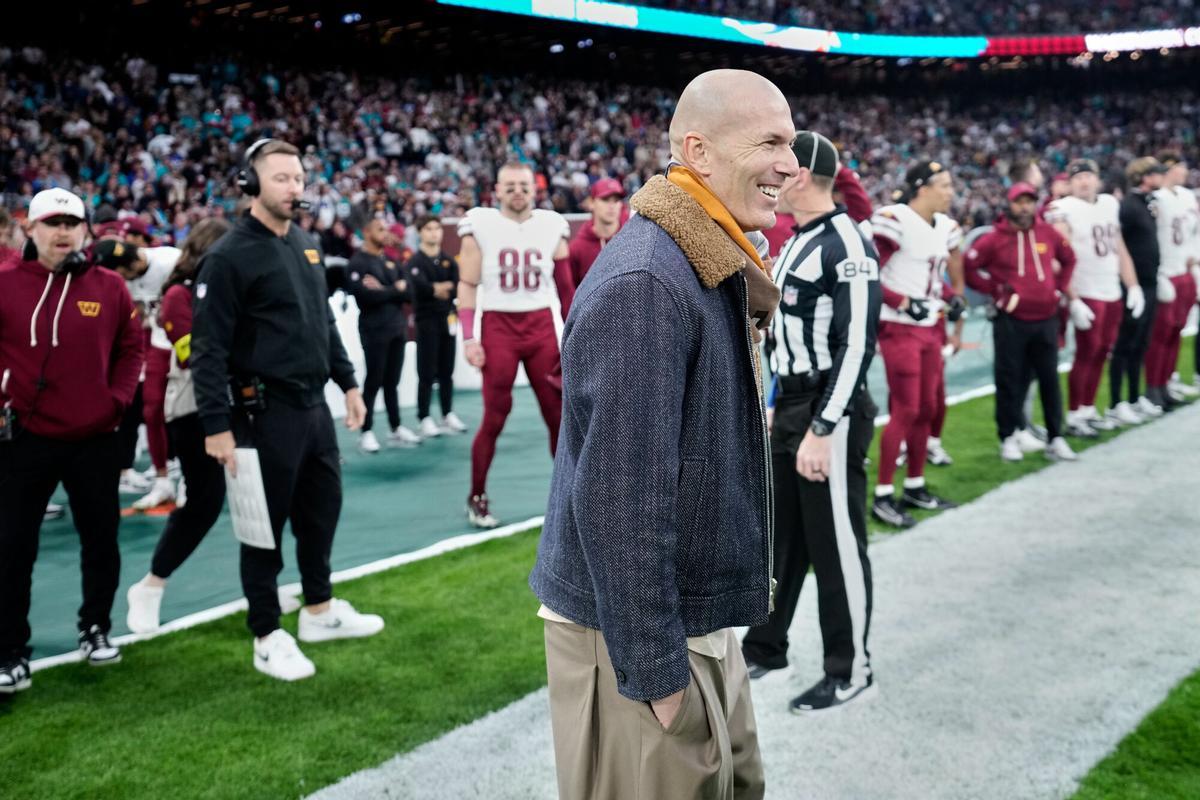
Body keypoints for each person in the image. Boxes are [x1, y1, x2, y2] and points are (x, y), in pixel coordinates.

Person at [530, 68, 791, 800]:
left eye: (791, 142)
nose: (790, 164)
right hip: (640, 641)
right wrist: (653, 669)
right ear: (698, 153)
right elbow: (619, 499)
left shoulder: (697, 256)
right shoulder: (649, 281)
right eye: (769, 141)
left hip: (690, 622)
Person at [191, 139, 382, 682]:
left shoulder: (305, 244)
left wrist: (348, 383)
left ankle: (318, 611)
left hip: (311, 408)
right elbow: (207, 348)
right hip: (259, 411)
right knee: (264, 528)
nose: (293, 187)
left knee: (322, 511)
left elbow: (322, 321)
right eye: (280, 178)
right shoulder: (228, 255)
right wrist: (215, 426)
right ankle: (266, 632)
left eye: (298, 178)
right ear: (250, 185)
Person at [739, 131, 883, 715]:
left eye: (782, 167)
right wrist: (777, 398)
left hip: (830, 406)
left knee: (836, 545)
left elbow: (856, 346)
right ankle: (767, 645)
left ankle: (851, 668)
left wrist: (824, 428)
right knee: (784, 538)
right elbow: (788, 335)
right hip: (794, 403)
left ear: (802, 176)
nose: (772, 177)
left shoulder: (847, 242)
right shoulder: (797, 240)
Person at [0, 188, 144, 693]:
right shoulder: (4, 283)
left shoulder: (109, 287)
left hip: (94, 438)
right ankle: (9, 651)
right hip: (23, 438)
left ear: (85, 230)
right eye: (52, 223)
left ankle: (95, 627)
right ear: (30, 230)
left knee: (101, 541)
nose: (62, 232)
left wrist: (116, 402)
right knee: (12, 547)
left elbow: (132, 350)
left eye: (72, 223)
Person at [125, 218, 232, 633]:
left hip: (235, 407)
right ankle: (151, 585)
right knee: (204, 504)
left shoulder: (223, 292)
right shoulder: (177, 296)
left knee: (261, 500)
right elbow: (194, 357)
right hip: (194, 411)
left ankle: (265, 587)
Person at [456, 161, 574, 528]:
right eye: (510, 186)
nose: (517, 192)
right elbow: (467, 285)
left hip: (540, 325)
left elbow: (566, 289)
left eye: (523, 185)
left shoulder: (551, 225)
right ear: (496, 189)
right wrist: (469, 336)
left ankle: (568, 495)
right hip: (499, 326)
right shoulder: (480, 224)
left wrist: (575, 331)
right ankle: (476, 495)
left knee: (558, 415)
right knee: (494, 415)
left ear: (534, 188)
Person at [869, 161, 966, 529]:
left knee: (926, 408)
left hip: (929, 327)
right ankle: (882, 495)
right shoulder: (895, 219)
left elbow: (927, 277)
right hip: (900, 329)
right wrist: (903, 302)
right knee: (906, 409)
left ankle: (914, 484)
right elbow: (870, 275)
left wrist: (948, 295)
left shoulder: (943, 226)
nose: (951, 191)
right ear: (922, 187)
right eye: (944, 184)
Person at [965, 183, 1079, 462]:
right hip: (1011, 320)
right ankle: (1008, 436)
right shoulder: (995, 238)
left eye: (1029, 201)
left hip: (1045, 318)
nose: (1025, 207)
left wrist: (1059, 289)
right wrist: (994, 289)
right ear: (1010, 204)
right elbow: (969, 265)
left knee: (1050, 379)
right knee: (1009, 379)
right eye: (1020, 202)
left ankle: (1056, 437)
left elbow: (1069, 258)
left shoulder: (1046, 232)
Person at [1046, 158, 1146, 434]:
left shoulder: (1109, 204)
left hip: (1110, 287)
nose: (1084, 181)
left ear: (1098, 179)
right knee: (1086, 352)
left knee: (1103, 351)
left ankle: (1088, 408)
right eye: (1078, 177)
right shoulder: (1062, 209)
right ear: (1070, 181)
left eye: (1088, 176)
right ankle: (1075, 413)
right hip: (1085, 289)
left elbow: (1119, 246)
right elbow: (1059, 257)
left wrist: (1133, 284)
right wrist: (1073, 297)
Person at [93, 239, 181, 510]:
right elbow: (138, 313)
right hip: (158, 342)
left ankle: (191, 477)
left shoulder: (171, 261)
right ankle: (162, 480)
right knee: (152, 410)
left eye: (116, 271)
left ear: (131, 264)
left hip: (188, 341)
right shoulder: (124, 279)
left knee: (189, 413)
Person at [347, 217, 420, 453]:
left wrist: (384, 289)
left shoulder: (390, 260)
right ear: (366, 231)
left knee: (392, 382)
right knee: (374, 380)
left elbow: (408, 292)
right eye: (380, 229)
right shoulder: (357, 262)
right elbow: (365, 297)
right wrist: (393, 290)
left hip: (397, 327)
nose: (385, 233)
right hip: (374, 329)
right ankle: (366, 431)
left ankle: (395, 427)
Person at [1146, 153, 1200, 405]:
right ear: (1169, 169)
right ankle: (1153, 385)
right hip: (1166, 271)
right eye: (1180, 166)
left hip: (1185, 269)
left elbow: (1194, 231)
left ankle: (1166, 382)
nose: (1185, 170)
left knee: (1177, 330)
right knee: (1162, 333)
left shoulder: (1188, 196)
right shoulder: (1157, 198)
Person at [406, 215, 467, 438]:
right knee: (426, 371)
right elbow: (418, 288)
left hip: (447, 320)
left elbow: (456, 287)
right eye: (429, 228)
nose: (434, 233)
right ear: (420, 232)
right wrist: (436, 289)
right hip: (426, 321)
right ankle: (424, 416)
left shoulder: (449, 261)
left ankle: (447, 413)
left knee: (446, 371)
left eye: (437, 228)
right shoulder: (414, 262)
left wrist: (435, 288)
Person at [567, 177, 627, 287]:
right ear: (591, 203)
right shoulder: (576, 249)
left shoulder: (632, 239)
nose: (611, 206)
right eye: (605, 199)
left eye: (616, 200)